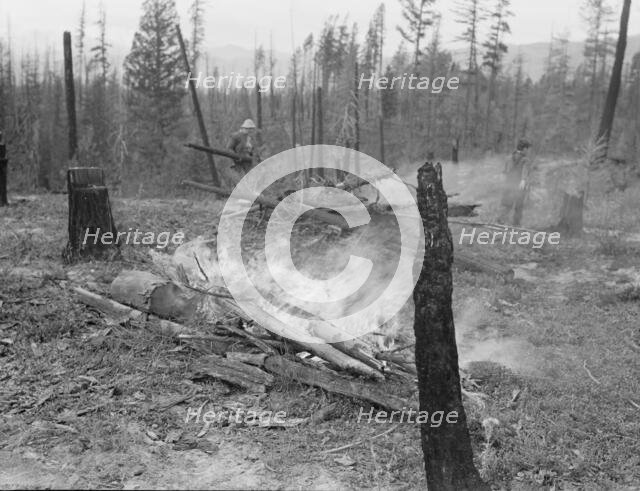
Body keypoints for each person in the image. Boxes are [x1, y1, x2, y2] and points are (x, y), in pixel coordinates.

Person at [500, 138, 532, 226]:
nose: (528, 151)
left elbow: (504, 172)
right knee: (519, 207)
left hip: (508, 185)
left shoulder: (508, 158)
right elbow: (525, 171)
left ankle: (501, 222)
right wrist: (523, 180)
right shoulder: (526, 160)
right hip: (519, 187)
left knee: (506, 205)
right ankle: (516, 225)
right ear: (524, 148)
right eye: (528, 149)